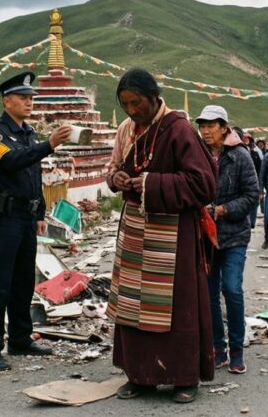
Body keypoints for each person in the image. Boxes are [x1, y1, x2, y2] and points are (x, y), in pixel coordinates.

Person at [105, 68, 217, 404]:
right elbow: (116, 169)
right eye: (125, 104)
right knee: (133, 306)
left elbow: (204, 185)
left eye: (137, 103)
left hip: (173, 236)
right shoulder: (129, 129)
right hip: (137, 233)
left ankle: (184, 378)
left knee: (175, 306)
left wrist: (152, 184)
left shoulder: (179, 129)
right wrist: (119, 181)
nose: (132, 110)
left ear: (154, 96)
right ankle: (140, 376)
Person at [0, 71, 73, 371]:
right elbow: (11, 161)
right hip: (3, 217)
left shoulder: (27, 133)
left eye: (31, 97)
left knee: (22, 282)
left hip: (26, 218)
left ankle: (20, 338)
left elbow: (33, 176)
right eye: (23, 98)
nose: (29, 102)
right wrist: (49, 145)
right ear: (7, 101)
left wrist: (40, 212)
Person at [196, 106, 259, 375]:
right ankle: (218, 348)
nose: (206, 130)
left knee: (231, 289)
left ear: (224, 127)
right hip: (205, 238)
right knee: (209, 295)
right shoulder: (196, 155)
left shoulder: (240, 155)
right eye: (203, 125)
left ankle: (236, 350)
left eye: (212, 125)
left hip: (234, 235)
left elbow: (252, 194)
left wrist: (223, 210)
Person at [241, 131, 263, 228]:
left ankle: (252, 223)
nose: (246, 139)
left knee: (254, 202)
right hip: (241, 183)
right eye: (244, 138)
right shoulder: (237, 152)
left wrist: (260, 186)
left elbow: (260, 171)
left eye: (247, 138)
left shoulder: (256, 154)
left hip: (254, 182)